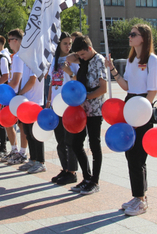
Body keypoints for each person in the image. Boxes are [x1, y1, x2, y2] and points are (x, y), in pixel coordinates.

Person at [105, 24, 157, 214]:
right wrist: (112, 69)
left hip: (142, 105)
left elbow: (153, 90)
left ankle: (141, 199)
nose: (130, 37)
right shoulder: (131, 59)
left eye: (133, 34)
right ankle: (137, 195)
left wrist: (142, 113)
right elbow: (126, 86)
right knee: (130, 155)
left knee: (138, 156)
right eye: (130, 34)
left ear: (143, 38)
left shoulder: (152, 60)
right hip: (130, 103)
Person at [64, 35, 107, 195]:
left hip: (94, 110)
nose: (80, 58)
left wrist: (86, 96)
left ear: (90, 49)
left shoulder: (99, 61)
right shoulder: (83, 60)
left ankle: (95, 181)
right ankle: (87, 177)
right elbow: (69, 57)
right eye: (79, 55)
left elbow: (103, 88)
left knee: (94, 145)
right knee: (76, 143)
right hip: (81, 110)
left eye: (83, 54)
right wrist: (78, 55)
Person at [47, 32, 79, 185]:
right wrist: (48, 100)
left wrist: (70, 72)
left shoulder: (73, 60)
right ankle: (65, 168)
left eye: (70, 43)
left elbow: (79, 81)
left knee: (69, 140)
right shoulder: (53, 60)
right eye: (65, 43)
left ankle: (72, 172)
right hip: (55, 105)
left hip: (69, 105)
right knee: (60, 140)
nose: (68, 46)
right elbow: (52, 82)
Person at [15, 30, 47, 174]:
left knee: (36, 134)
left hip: (35, 102)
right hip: (26, 102)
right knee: (28, 132)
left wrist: (20, 93)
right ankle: (33, 160)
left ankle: (40, 161)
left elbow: (32, 80)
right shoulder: (26, 59)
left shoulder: (38, 60)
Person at [3, 29, 28, 165]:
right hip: (15, 94)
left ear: (16, 40)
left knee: (20, 124)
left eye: (10, 39)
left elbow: (16, 80)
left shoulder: (19, 57)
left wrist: (4, 88)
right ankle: (16, 150)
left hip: (16, 94)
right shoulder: (17, 56)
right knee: (10, 122)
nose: (8, 43)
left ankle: (22, 152)